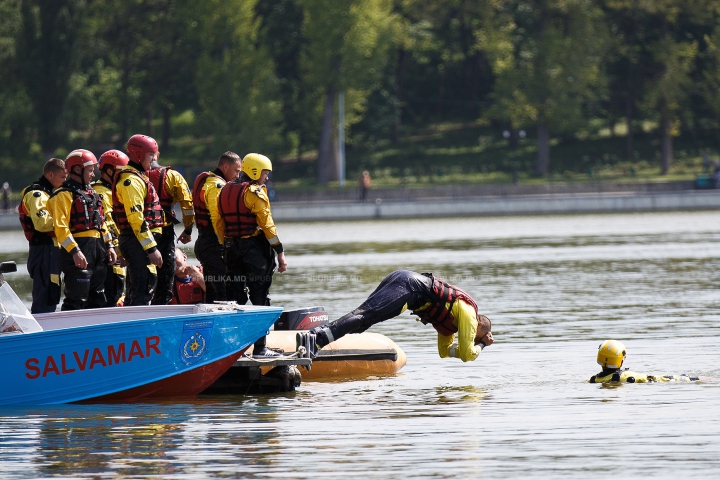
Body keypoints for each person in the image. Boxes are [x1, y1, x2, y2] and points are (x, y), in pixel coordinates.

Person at [297, 270, 493, 361]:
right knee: (365, 316)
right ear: (478, 327)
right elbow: (467, 355)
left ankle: (318, 336)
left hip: (404, 280)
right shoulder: (468, 316)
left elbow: (444, 352)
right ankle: (317, 339)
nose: (469, 337)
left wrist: (472, 344)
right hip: (409, 287)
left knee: (363, 321)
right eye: (475, 335)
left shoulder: (451, 324)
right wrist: (482, 344)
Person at [218, 153, 288, 356]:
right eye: (265, 173)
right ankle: (260, 348)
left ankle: (233, 350)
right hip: (254, 252)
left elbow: (220, 224)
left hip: (231, 250)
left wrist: (224, 247)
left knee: (235, 298)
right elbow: (267, 225)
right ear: (256, 171)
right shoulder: (255, 192)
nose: (267, 177)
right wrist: (280, 252)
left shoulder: (224, 190)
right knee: (260, 298)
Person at [47, 150, 116, 310]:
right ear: (78, 170)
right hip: (79, 249)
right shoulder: (63, 195)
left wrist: (110, 245)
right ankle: (70, 332)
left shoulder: (93, 194)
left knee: (98, 298)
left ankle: (96, 333)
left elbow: (101, 223)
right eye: (90, 170)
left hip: (98, 249)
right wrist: (75, 252)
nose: (93, 174)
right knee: (77, 299)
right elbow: (61, 228)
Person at [112, 134, 165, 306]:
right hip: (137, 242)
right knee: (141, 287)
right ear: (138, 154)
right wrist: (151, 248)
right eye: (151, 154)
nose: (155, 158)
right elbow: (136, 219)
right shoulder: (130, 181)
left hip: (139, 243)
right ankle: (136, 329)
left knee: (143, 286)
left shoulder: (139, 177)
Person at [192, 151, 242, 303]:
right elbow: (217, 218)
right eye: (236, 171)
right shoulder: (216, 185)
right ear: (225, 167)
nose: (238, 176)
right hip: (212, 243)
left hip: (207, 243)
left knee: (213, 288)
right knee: (222, 289)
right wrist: (224, 242)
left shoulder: (209, 180)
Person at [18, 158, 67, 313]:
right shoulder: (37, 194)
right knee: (44, 297)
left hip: (51, 250)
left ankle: (47, 329)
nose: (65, 181)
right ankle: (41, 331)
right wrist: (67, 222)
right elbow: (43, 223)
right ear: (50, 174)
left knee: (52, 295)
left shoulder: (51, 194)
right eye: (62, 177)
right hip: (42, 251)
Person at [147, 160, 195, 305]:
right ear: (157, 155)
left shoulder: (129, 177)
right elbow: (187, 205)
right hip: (163, 232)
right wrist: (188, 229)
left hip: (135, 235)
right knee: (164, 281)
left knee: (139, 282)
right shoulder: (172, 176)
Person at [91, 150, 129, 307]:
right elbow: (108, 223)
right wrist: (119, 251)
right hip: (109, 254)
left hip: (111, 253)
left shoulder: (113, 190)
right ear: (108, 171)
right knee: (111, 298)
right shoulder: (102, 192)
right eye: (121, 172)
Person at [588, 340, 700, 383]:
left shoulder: (593, 380)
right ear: (621, 362)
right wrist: (689, 378)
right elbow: (657, 378)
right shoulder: (627, 376)